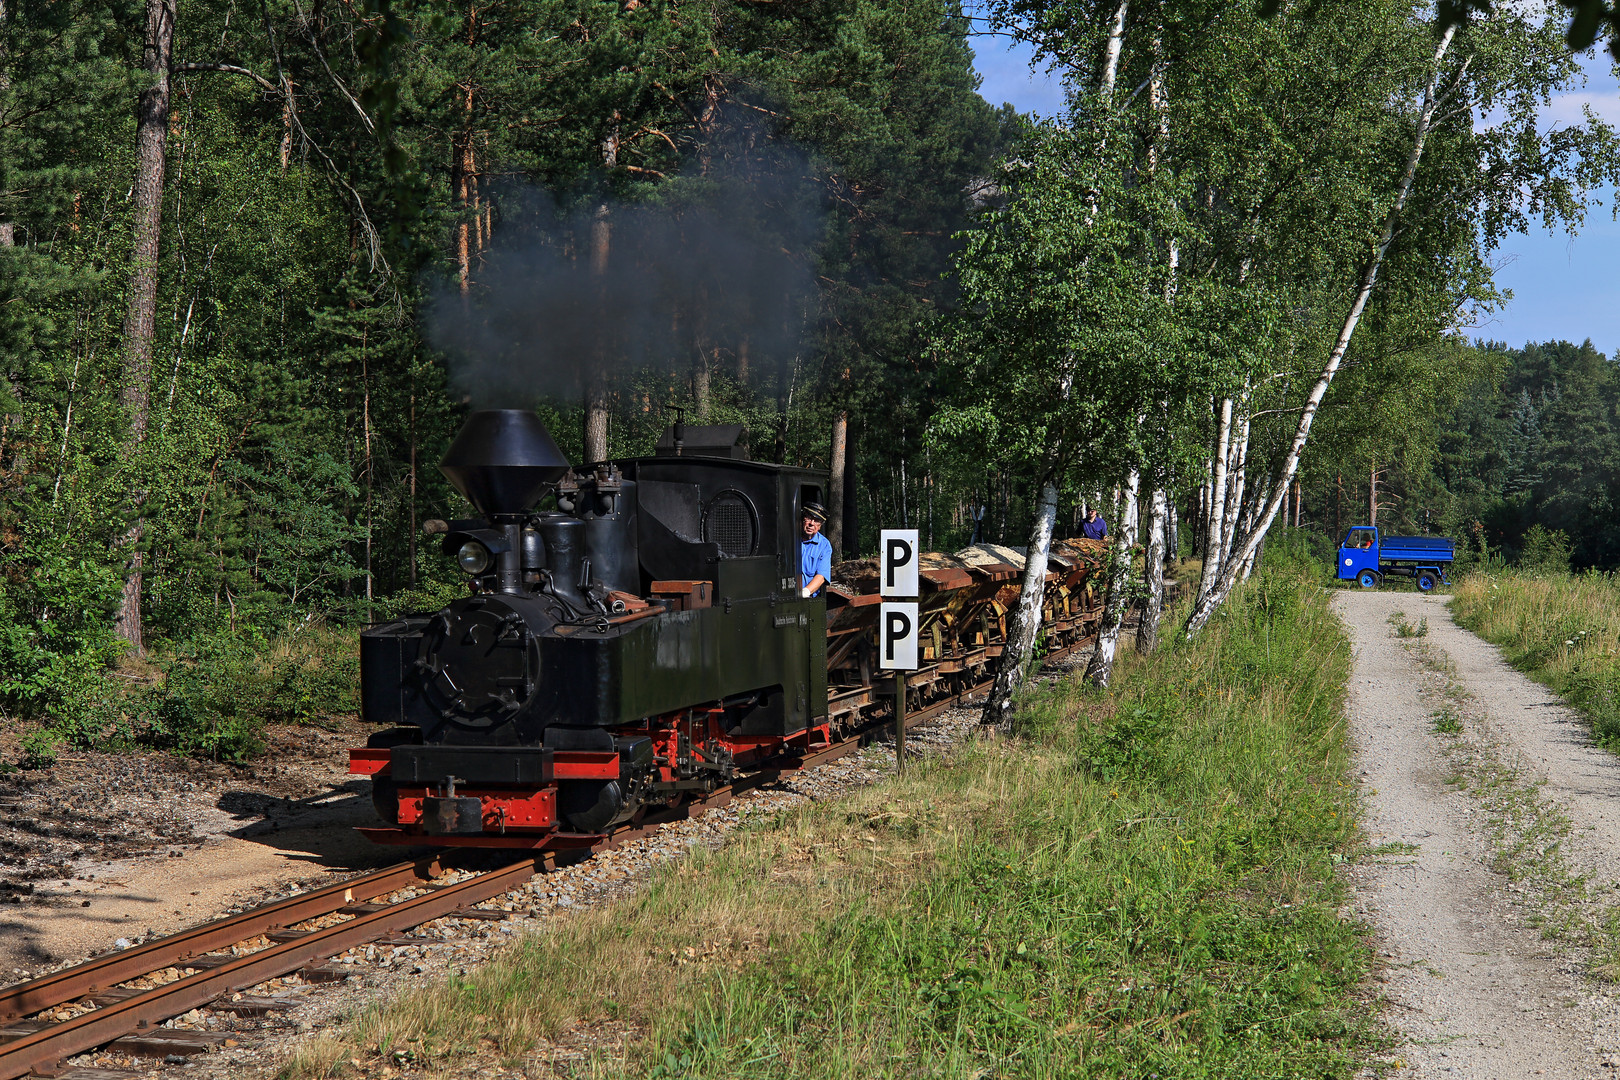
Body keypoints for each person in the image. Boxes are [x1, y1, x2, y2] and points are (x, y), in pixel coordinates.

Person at [800, 502, 833, 598]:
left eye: (817, 521)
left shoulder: (824, 546)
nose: (811, 523)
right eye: (809, 518)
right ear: (803, 519)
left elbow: (821, 576)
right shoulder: (790, 539)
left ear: (820, 526)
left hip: (807, 598)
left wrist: (804, 592)